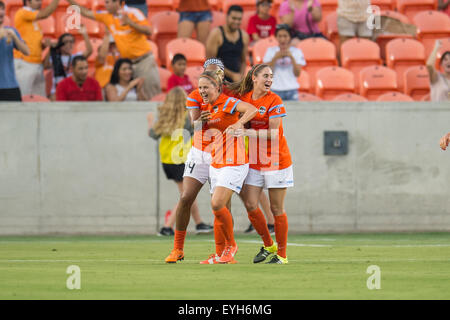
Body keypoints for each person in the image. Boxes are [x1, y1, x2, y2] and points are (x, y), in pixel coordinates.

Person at [229, 63, 293, 264]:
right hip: (255, 160)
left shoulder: (275, 100)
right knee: (250, 203)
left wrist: (245, 131)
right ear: (254, 78)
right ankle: (268, 244)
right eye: (265, 75)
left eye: (271, 76)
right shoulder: (245, 99)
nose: (269, 80)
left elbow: (274, 134)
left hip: (277, 160)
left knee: (276, 209)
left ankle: (281, 255)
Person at [198, 69, 257, 264]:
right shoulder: (208, 107)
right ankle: (221, 254)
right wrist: (200, 122)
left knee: (217, 204)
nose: (202, 91)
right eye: (199, 88)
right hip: (216, 162)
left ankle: (231, 245)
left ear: (216, 87)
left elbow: (251, 109)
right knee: (219, 210)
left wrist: (240, 123)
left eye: (205, 87)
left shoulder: (228, 102)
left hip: (235, 161)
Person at [147, 87, 213, 236]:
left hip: (167, 162)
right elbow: (197, 129)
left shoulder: (164, 117)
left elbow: (152, 134)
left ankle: (199, 223)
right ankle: (167, 226)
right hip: (181, 160)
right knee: (186, 195)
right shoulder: (186, 117)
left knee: (187, 193)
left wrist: (150, 122)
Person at [66, 0, 161, 100]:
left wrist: (131, 23)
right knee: (130, 97)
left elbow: (149, 31)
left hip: (143, 61)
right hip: (127, 64)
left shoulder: (133, 12)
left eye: (108, 2)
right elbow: (85, 12)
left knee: (151, 96)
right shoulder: (106, 16)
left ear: (117, 2)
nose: (105, 5)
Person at [14, 0, 60, 97]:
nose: (40, 3)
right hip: (25, 62)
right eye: (37, 0)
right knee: (24, 98)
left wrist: (44, 45)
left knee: (39, 100)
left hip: (37, 64)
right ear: (27, 2)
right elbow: (45, 14)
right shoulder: (23, 12)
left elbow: (34, 46)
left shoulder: (34, 22)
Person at [43, 27, 93, 100]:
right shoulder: (55, 58)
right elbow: (45, 65)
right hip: (57, 91)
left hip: (73, 90)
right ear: (60, 45)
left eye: (72, 42)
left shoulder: (76, 57)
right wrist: (51, 49)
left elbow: (89, 51)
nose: (70, 44)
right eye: (66, 42)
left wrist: (85, 34)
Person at [206, 5, 250, 83]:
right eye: (234, 18)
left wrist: (240, 76)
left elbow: (243, 61)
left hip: (235, 82)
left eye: (239, 19)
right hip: (216, 80)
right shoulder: (216, 34)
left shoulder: (244, 36)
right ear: (227, 17)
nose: (236, 22)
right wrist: (232, 75)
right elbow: (210, 62)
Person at [263, 24, 306, 101]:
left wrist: (292, 58)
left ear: (290, 37)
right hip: (275, 89)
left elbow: (297, 73)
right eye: (279, 36)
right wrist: (275, 58)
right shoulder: (270, 51)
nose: (282, 39)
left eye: (285, 36)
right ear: (276, 37)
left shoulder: (297, 52)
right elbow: (267, 74)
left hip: (292, 89)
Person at [0, 0, 29, 101]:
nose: (1, 12)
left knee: (17, 116)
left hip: (10, 85)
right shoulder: (4, 33)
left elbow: (27, 51)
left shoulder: (11, 31)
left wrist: (15, 37)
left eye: (2, 9)